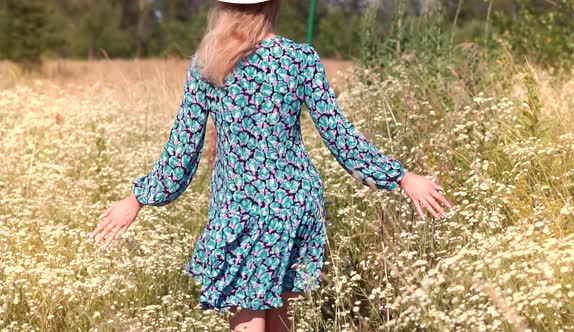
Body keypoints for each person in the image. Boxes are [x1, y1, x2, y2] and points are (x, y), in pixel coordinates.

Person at [89, 0, 452, 331]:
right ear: (274, 5)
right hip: (295, 205)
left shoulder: (207, 64)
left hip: (241, 211)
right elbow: (339, 136)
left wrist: (139, 198)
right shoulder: (299, 59)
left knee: (250, 322)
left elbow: (183, 149)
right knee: (280, 322)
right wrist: (402, 177)